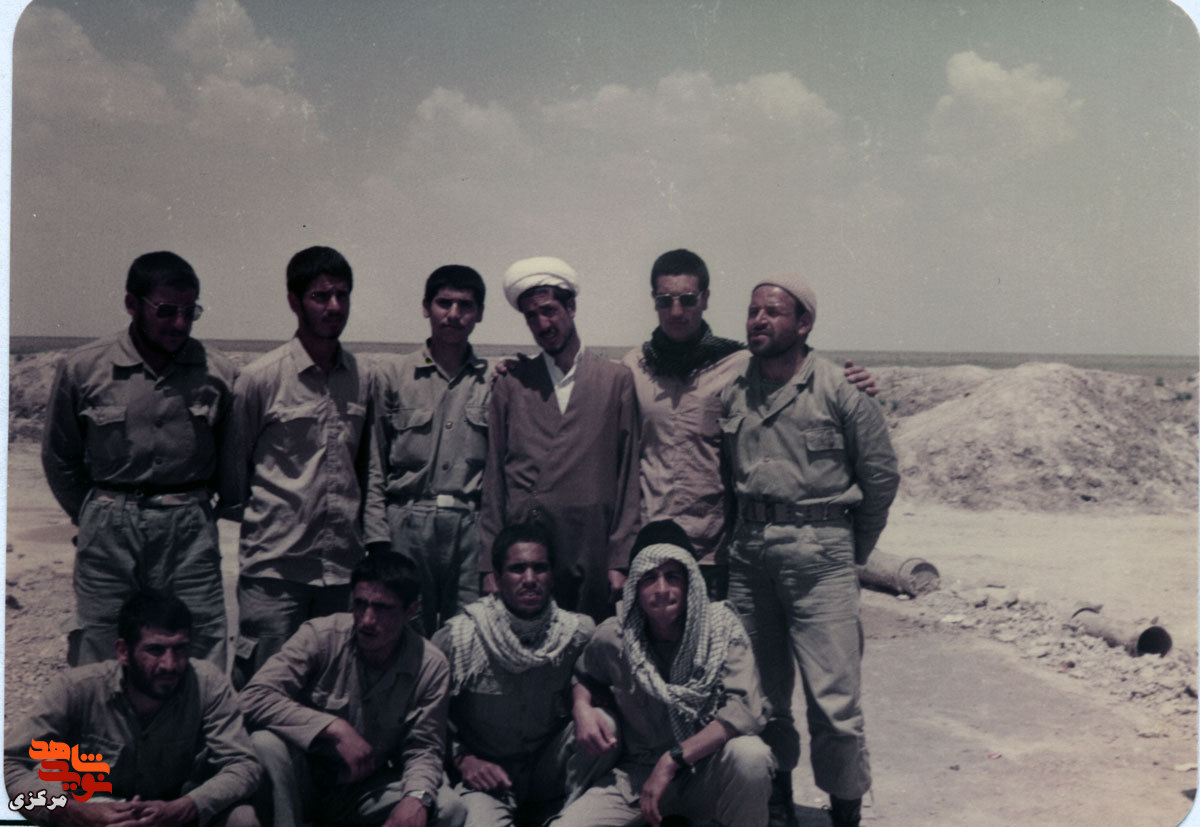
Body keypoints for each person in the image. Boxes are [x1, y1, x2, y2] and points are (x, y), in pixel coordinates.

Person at [720, 275, 900, 827]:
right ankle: (776, 806)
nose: (758, 320)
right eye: (752, 310)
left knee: (835, 704)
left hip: (823, 557)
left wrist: (849, 549)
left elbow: (880, 477)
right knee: (760, 698)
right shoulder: (734, 389)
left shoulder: (841, 389)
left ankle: (845, 812)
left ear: (803, 324)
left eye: (772, 312)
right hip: (750, 558)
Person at [622, 248, 875, 600]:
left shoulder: (739, 365)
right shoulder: (633, 368)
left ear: (705, 299)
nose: (676, 311)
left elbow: (794, 368)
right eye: (666, 301)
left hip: (717, 548)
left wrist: (852, 380)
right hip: (652, 544)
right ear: (653, 300)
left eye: (687, 299)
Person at [41, 251, 236, 667]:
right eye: (166, 311)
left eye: (190, 312)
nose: (179, 323)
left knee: (201, 643)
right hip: (109, 529)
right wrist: (93, 514)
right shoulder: (83, 369)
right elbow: (60, 456)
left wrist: (202, 510)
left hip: (189, 531)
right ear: (132, 304)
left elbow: (231, 457)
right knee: (101, 644)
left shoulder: (218, 373)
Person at [222, 245, 372, 687]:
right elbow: (233, 473)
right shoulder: (260, 379)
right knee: (263, 689)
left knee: (332, 690)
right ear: (294, 301)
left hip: (340, 573)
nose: (334, 307)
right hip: (275, 572)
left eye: (342, 295)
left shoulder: (363, 378)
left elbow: (364, 468)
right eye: (321, 296)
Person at [552, 531, 774, 827]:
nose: (661, 589)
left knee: (750, 755)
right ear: (634, 586)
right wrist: (582, 709)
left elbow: (745, 709)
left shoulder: (722, 631)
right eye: (649, 578)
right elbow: (585, 675)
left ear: (690, 583)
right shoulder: (615, 637)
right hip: (638, 776)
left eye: (672, 577)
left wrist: (672, 759)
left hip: (705, 772)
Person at [239, 551, 464, 827]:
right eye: (360, 604)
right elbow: (252, 697)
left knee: (447, 807)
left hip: (365, 790)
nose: (367, 619)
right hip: (302, 783)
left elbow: (424, 748)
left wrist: (416, 797)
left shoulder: (430, 664)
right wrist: (332, 727)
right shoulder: (320, 636)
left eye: (382, 608)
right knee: (265, 744)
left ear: (410, 611)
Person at [4, 591, 262, 826]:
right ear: (123, 651)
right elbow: (9, 764)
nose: (170, 664)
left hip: (171, 813)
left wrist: (187, 806)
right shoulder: (78, 689)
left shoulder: (206, 684)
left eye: (180, 649)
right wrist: (70, 810)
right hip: (91, 814)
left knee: (243, 819)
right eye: (155, 650)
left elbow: (243, 764)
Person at [479, 256, 640, 623]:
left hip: (591, 547)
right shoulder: (512, 384)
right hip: (527, 554)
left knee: (590, 643)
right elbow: (494, 480)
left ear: (571, 307)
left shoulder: (614, 381)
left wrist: (620, 559)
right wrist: (489, 562)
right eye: (531, 316)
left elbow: (628, 476)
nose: (542, 324)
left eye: (549, 310)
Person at [432, 522, 600, 826]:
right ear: (496, 579)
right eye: (517, 569)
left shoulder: (576, 633)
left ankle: (569, 811)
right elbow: (428, 718)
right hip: (489, 778)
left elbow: (599, 683)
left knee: (604, 723)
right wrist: (462, 759)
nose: (530, 579)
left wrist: (581, 704)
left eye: (540, 568)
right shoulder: (460, 637)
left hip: (550, 770)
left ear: (552, 576)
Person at [366, 265, 490, 635]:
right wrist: (378, 537)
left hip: (469, 527)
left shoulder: (493, 381)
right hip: (406, 524)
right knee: (406, 633)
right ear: (425, 307)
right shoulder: (393, 376)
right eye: (444, 303)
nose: (454, 314)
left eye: (465, 305)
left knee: (467, 634)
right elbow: (374, 462)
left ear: (479, 313)